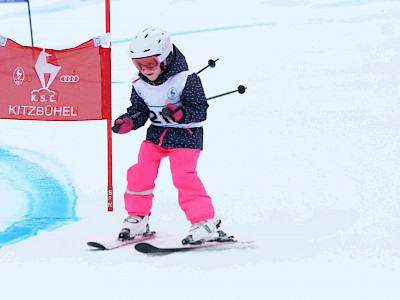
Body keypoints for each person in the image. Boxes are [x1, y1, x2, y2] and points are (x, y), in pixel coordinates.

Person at [113, 27, 228, 244]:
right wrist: (129, 121)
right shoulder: (139, 85)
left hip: (187, 136)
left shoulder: (186, 80)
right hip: (157, 135)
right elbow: (139, 111)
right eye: (138, 64)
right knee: (140, 173)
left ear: (165, 59)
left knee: (183, 176)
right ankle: (138, 218)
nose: (145, 69)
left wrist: (181, 114)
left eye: (150, 63)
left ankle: (204, 222)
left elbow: (201, 109)